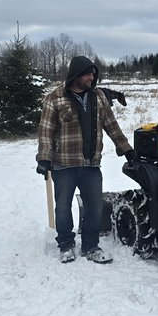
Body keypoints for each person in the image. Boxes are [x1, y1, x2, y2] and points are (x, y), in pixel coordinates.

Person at [36, 56, 135, 263]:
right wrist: (44, 158)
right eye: (89, 74)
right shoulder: (55, 98)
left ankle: (91, 246)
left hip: (91, 164)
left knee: (95, 206)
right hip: (64, 164)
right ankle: (66, 244)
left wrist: (126, 149)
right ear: (76, 75)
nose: (92, 77)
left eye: (94, 74)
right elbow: (46, 131)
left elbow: (112, 125)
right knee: (63, 206)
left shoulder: (98, 97)